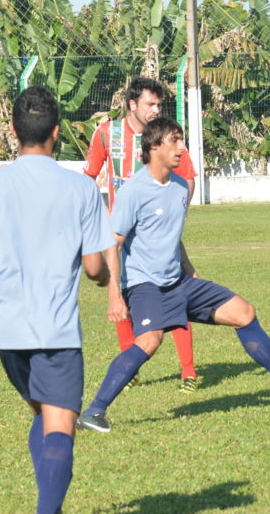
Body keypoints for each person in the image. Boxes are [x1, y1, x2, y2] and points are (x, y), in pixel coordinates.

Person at [77, 117, 270, 433]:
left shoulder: (177, 187)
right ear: (155, 146)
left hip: (179, 281)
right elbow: (114, 244)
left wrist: (192, 273)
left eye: (182, 140)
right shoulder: (134, 191)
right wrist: (115, 295)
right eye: (175, 141)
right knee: (148, 342)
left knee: (243, 312)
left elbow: (171, 234)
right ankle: (93, 412)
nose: (182, 148)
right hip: (144, 285)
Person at [0, 87, 114, 514]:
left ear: (14, 133)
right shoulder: (81, 187)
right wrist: (102, 273)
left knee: (42, 418)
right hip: (56, 329)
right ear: (57, 133)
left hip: (8, 331)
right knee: (60, 425)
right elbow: (93, 268)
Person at [84, 76, 201, 392]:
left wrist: (179, 211)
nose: (155, 109)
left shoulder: (165, 136)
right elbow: (89, 177)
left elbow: (188, 177)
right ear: (131, 104)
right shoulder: (107, 134)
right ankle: (129, 366)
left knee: (175, 289)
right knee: (121, 292)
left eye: (159, 104)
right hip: (119, 232)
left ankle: (188, 371)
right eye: (150, 103)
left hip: (156, 231)